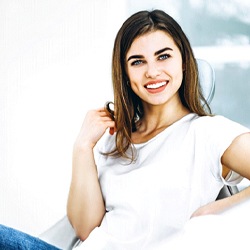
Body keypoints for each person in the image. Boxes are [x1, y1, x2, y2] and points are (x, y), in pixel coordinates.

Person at [0, 9, 250, 250]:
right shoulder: (116, 138)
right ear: (126, 73)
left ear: (183, 62)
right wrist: (82, 147)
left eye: (164, 56)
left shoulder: (208, 133)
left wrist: (216, 212)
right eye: (137, 61)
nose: (152, 71)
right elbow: (85, 230)